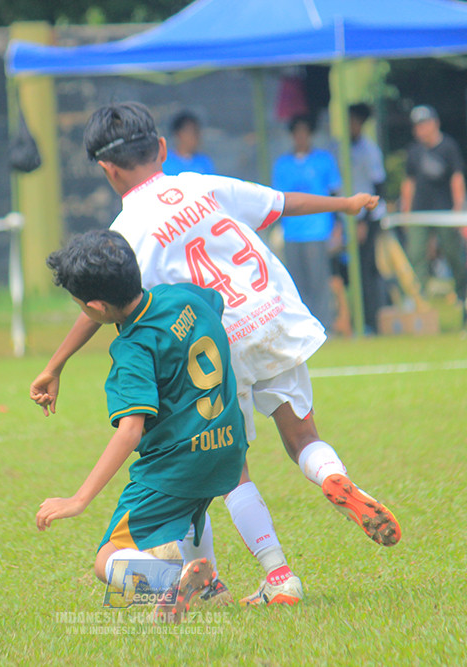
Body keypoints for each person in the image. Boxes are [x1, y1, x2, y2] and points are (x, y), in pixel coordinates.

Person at [30, 101, 400, 607]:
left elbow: (98, 304)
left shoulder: (126, 232)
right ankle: (332, 477)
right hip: (272, 317)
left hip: (217, 344)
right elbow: (280, 203)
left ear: (106, 169)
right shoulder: (203, 185)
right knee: (303, 436)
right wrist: (348, 203)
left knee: (232, 470)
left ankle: (278, 578)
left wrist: (56, 363)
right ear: (161, 147)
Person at [35, 229, 247, 622]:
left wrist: (78, 499)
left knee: (106, 560)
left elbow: (131, 428)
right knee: (188, 506)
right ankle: (208, 587)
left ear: (96, 307)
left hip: (174, 464)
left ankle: (167, 583)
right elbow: (214, 305)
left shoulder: (132, 348)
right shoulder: (182, 295)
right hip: (226, 444)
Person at [271, 113, 342, 330]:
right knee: (296, 284)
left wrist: (338, 227)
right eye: (297, 133)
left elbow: (334, 193)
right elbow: (277, 199)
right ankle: (304, 328)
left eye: (305, 132)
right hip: (292, 231)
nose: (301, 137)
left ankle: (324, 327)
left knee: (319, 282)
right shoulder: (282, 164)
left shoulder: (323, 160)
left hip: (318, 229)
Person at [400, 104, 467, 300]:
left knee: (452, 251)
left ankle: (462, 292)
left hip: (444, 210)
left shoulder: (448, 147)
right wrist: (406, 211)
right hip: (420, 211)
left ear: (434, 124)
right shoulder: (414, 151)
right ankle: (419, 298)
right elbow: (409, 182)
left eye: (424, 124)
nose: (420, 130)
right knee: (416, 253)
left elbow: (457, 178)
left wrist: (458, 207)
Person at [348, 103, 387, 333]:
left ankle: (371, 321)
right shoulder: (338, 148)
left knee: (368, 270)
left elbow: (377, 187)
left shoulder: (369, 150)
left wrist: (364, 221)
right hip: (347, 218)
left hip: (367, 219)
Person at [162, 111, 216, 176]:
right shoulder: (164, 161)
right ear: (179, 134)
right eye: (192, 132)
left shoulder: (204, 162)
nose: (197, 136)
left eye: (197, 132)